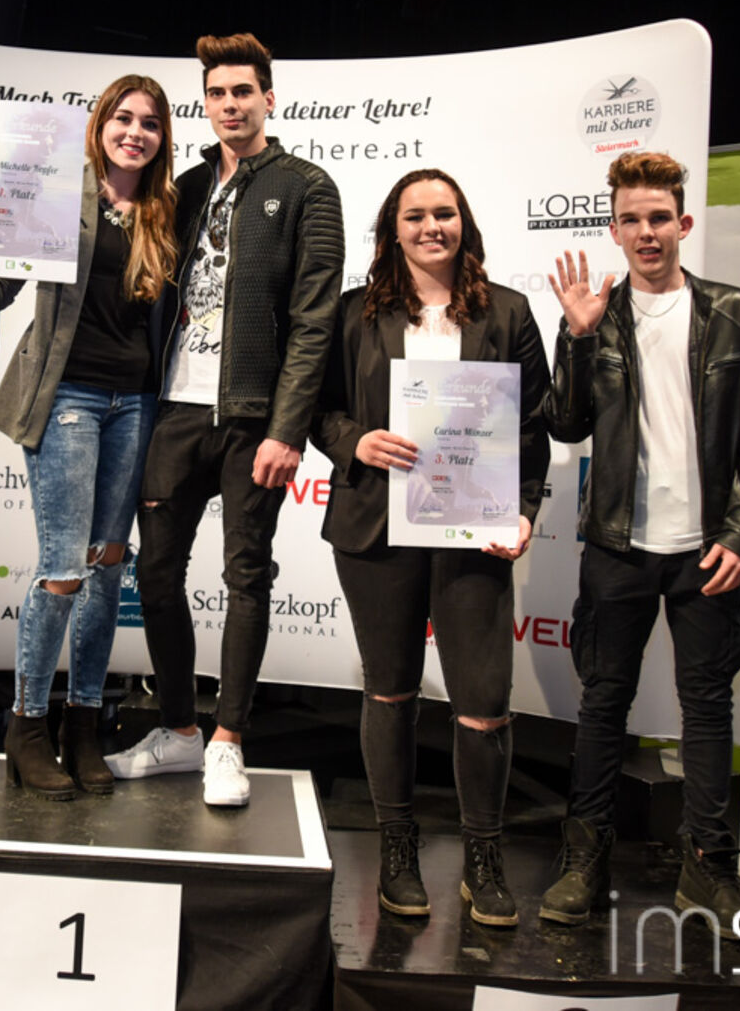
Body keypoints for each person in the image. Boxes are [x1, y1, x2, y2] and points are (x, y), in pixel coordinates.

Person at [541, 149, 740, 929]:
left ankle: (709, 868)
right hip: (617, 544)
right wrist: (578, 337)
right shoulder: (595, 316)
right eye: (631, 220)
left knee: (706, 709)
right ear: (613, 230)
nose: (646, 232)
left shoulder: (737, 314)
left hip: (706, 547)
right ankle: (583, 862)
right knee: (603, 704)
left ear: (684, 223)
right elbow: (565, 424)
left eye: (658, 218)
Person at [105, 32, 346, 807]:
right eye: (216, 94)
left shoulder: (308, 187)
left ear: (268, 99)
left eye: (243, 92)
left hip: (253, 416)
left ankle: (228, 740)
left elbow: (315, 320)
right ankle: (179, 729)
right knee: (154, 573)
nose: (230, 105)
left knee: (246, 575)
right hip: (175, 406)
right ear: (204, 104)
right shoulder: (184, 186)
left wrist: (287, 428)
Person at [311, 169, 549, 922]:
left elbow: (532, 425)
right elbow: (318, 409)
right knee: (390, 690)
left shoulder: (508, 311)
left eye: (444, 213)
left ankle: (484, 856)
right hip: (376, 527)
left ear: (463, 222)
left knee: (484, 703)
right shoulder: (354, 313)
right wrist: (356, 441)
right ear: (394, 229)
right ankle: (397, 848)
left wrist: (524, 510)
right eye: (415, 216)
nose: (431, 227)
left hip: (474, 527)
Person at [0, 76, 182, 798]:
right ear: (100, 125)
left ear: (163, 138)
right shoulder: (53, 192)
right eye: (123, 118)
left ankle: (85, 726)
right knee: (64, 569)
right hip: (67, 395)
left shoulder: (166, 211)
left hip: (137, 404)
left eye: (150, 123)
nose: (135, 132)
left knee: (108, 568)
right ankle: (27, 725)